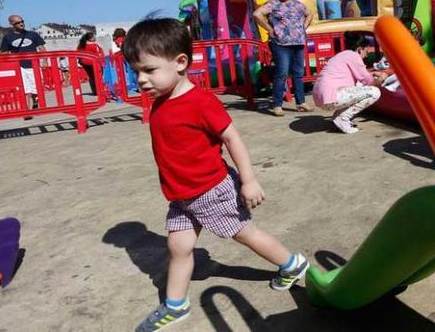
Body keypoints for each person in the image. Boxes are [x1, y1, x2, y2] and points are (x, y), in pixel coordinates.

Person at [122, 18, 307, 332]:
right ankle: (176, 306)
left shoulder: (200, 102)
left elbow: (232, 138)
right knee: (178, 247)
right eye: (135, 71)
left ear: (181, 62)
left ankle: (292, 264)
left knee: (245, 233)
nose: (141, 79)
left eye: (149, 70)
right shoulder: (162, 101)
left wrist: (248, 179)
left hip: (211, 190)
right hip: (182, 195)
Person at [252, 0, 314, 117]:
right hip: (280, 44)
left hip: (298, 43)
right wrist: (269, 29)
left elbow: (310, 14)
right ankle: (277, 105)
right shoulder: (273, 4)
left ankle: (301, 102)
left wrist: (304, 26)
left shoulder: (297, 4)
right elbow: (257, 14)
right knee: (282, 72)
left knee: (298, 73)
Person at [312, 34, 386, 134]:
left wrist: (372, 74)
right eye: (366, 51)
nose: (367, 55)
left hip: (321, 97)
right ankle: (343, 118)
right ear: (360, 49)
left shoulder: (343, 55)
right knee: (374, 92)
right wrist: (381, 79)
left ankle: (338, 117)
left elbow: (358, 76)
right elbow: (369, 82)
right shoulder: (354, 56)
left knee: (360, 88)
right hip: (331, 97)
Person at [0, 14, 46, 115]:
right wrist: (8, 65)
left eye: (22, 21)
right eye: (18, 22)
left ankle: (36, 102)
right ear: (12, 24)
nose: (21, 24)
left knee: (37, 87)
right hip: (18, 66)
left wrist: (44, 60)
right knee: (24, 88)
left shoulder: (33, 34)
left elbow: (41, 48)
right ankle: (26, 111)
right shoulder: (8, 37)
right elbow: (4, 53)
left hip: (34, 65)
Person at [76, 32, 103, 96]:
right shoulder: (94, 45)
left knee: (91, 77)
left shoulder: (81, 45)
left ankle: (95, 91)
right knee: (98, 76)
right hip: (94, 63)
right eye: (93, 37)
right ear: (90, 39)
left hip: (85, 63)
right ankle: (99, 90)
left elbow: (78, 54)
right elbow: (99, 53)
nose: (95, 37)